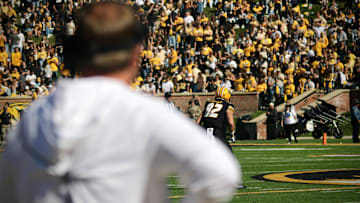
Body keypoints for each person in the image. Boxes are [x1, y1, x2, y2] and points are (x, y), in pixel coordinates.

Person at [0, 3, 241, 203]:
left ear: (75, 52)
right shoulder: (144, 113)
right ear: (135, 55)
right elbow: (220, 173)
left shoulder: (33, 115)